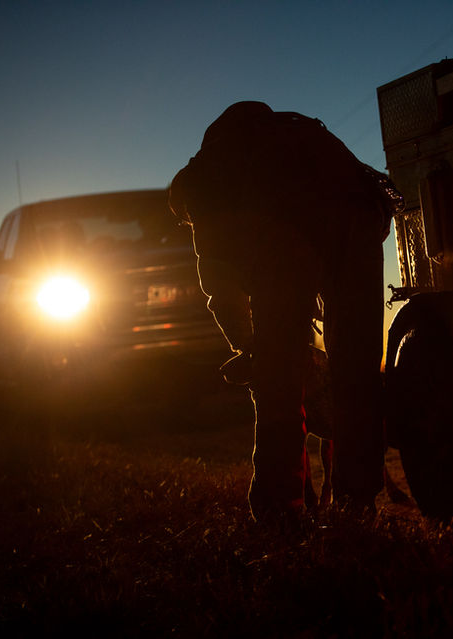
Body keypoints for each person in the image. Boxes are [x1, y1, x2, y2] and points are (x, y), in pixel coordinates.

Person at [168, 101, 402, 524]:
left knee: (278, 374)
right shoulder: (298, 135)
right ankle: (357, 506)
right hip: (360, 215)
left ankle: (281, 510)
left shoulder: (207, 178)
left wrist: (250, 347)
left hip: (286, 228)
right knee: (358, 370)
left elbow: (219, 287)